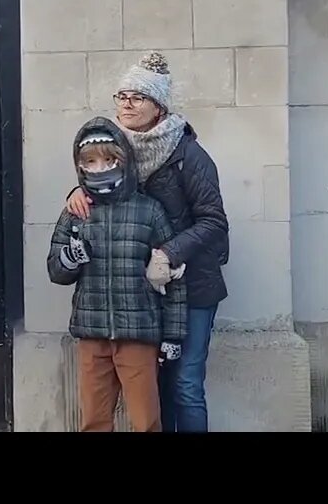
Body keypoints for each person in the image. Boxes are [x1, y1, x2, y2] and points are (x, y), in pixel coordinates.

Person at [66, 52, 229, 432]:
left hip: (194, 284)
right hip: (147, 294)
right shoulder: (119, 148)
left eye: (137, 97)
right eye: (121, 96)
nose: (126, 104)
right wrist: (77, 190)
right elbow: (101, 177)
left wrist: (170, 252)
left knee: (186, 384)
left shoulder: (188, 154)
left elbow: (214, 220)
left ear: (158, 107)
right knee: (155, 388)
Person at [47, 116, 188, 432]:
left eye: (109, 160)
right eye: (91, 162)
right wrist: (70, 256)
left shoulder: (149, 210)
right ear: (81, 165)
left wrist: (173, 335)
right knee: (94, 421)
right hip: (92, 333)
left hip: (138, 334)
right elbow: (56, 271)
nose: (100, 168)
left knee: (146, 421)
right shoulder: (77, 210)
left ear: (123, 160)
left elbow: (173, 276)